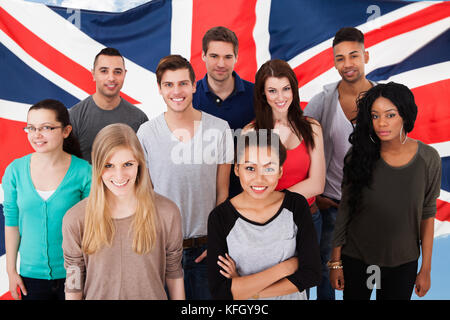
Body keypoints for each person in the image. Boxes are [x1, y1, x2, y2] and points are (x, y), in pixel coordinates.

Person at [329, 82, 441, 300]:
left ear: (405, 116)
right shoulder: (358, 156)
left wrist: (425, 268)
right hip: (357, 260)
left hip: (402, 264)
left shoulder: (428, 158)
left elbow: (427, 214)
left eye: (390, 115)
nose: (382, 123)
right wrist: (335, 262)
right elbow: (345, 210)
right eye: (375, 115)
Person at [137, 55, 233, 300]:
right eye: (169, 85)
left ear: (194, 86)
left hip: (206, 248)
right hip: (163, 249)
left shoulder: (219, 129)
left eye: (182, 84)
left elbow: (222, 192)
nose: (176, 91)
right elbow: (144, 194)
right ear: (159, 89)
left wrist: (217, 241)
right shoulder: (147, 133)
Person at [62, 123, 184, 300]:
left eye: (127, 164)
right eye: (109, 165)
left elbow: (174, 272)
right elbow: (73, 282)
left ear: (139, 164)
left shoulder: (167, 212)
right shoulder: (75, 219)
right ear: (97, 167)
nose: (119, 176)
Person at [303, 27, 376, 300]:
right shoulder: (323, 101)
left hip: (369, 208)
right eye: (340, 58)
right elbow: (301, 146)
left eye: (354, 56)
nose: (347, 64)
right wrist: (315, 193)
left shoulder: (384, 100)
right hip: (331, 205)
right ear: (333, 62)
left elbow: (396, 153)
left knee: (365, 275)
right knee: (325, 274)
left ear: (365, 56)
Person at [207, 130, 321, 300]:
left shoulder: (296, 205)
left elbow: (311, 274)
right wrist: (285, 268)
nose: (259, 179)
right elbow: (220, 291)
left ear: (280, 171)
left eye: (269, 168)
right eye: (250, 168)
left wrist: (247, 289)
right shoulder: (220, 217)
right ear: (237, 169)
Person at [2, 99, 91, 300]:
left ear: (66, 131)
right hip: (29, 278)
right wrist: (11, 272)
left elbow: (92, 229)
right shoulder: (14, 172)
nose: (37, 135)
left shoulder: (85, 172)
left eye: (46, 128)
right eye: (31, 128)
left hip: (75, 275)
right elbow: (12, 224)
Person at [244, 59, 325, 214]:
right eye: (272, 91)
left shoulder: (313, 128)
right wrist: (277, 143)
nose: (280, 97)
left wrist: (275, 199)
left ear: (293, 90)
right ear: (263, 93)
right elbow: (253, 186)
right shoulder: (250, 132)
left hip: (308, 216)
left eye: (286, 89)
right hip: (268, 219)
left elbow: (317, 184)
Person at [193, 26, 255, 198]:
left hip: (247, 194)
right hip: (202, 195)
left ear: (236, 57)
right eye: (214, 56)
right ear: (203, 56)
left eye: (227, 57)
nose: (221, 64)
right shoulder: (189, 97)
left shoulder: (257, 95)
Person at [69, 47, 149, 163]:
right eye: (104, 71)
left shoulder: (139, 119)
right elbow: (66, 166)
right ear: (93, 74)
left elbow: (144, 166)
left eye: (117, 72)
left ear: (124, 74)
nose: (111, 78)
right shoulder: (74, 117)